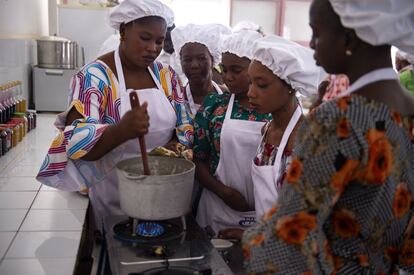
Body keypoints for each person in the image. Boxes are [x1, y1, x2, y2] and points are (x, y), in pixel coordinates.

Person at [242, 0, 414, 273]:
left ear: (348, 38)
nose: (312, 44)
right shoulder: (408, 111)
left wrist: (250, 243)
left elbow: (290, 234)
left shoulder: (338, 118)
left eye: (317, 32)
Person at [36, 0, 193, 229]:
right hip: (114, 193)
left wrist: (170, 148)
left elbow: (185, 126)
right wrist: (122, 131)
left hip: (162, 189)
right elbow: (78, 147)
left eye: (159, 41)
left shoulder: (166, 76)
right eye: (145, 38)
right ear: (123, 31)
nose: (153, 48)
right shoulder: (94, 77)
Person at [219, 35, 323, 240]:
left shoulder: (304, 140)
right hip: (266, 244)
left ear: (291, 86)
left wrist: (251, 237)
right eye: (250, 83)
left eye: (262, 85)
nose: (251, 93)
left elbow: (306, 223)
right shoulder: (267, 130)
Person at [194, 30, 271, 235]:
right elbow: (197, 158)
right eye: (224, 69)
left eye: (236, 70)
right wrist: (223, 192)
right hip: (217, 209)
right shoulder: (213, 106)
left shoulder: (275, 111)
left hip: (265, 215)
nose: (227, 77)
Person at [171, 23, 230, 115]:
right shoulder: (175, 100)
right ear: (180, 62)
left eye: (201, 58)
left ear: (213, 60)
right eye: (187, 59)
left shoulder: (227, 96)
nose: (194, 65)